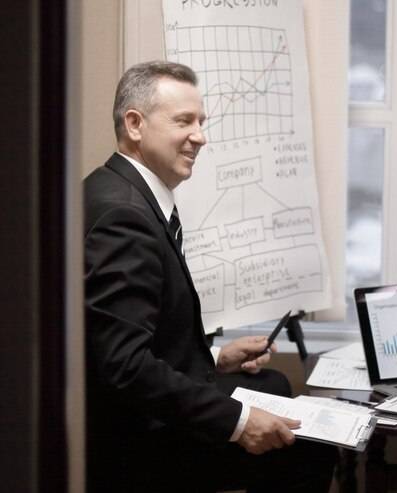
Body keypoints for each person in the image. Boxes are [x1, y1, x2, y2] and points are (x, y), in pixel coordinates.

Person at [84, 61, 336, 492]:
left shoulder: (119, 189)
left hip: (139, 412)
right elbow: (123, 365)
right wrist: (239, 423)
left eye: (201, 122)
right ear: (135, 124)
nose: (200, 136)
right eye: (184, 121)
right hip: (135, 441)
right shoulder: (123, 216)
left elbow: (133, 331)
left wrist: (216, 357)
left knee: (273, 382)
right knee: (310, 444)